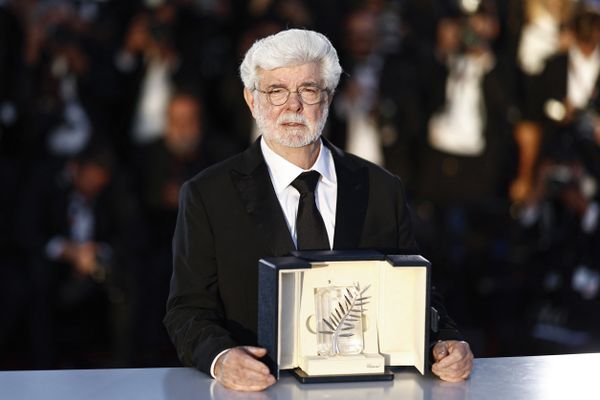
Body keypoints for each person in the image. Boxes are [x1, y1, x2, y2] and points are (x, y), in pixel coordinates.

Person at [164, 28, 473, 392]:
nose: (292, 106)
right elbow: (187, 310)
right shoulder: (207, 194)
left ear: (328, 98)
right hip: (259, 390)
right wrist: (222, 359)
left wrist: (449, 341)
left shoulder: (380, 188)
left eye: (307, 90)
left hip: (365, 390)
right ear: (251, 101)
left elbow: (417, 290)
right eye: (276, 91)